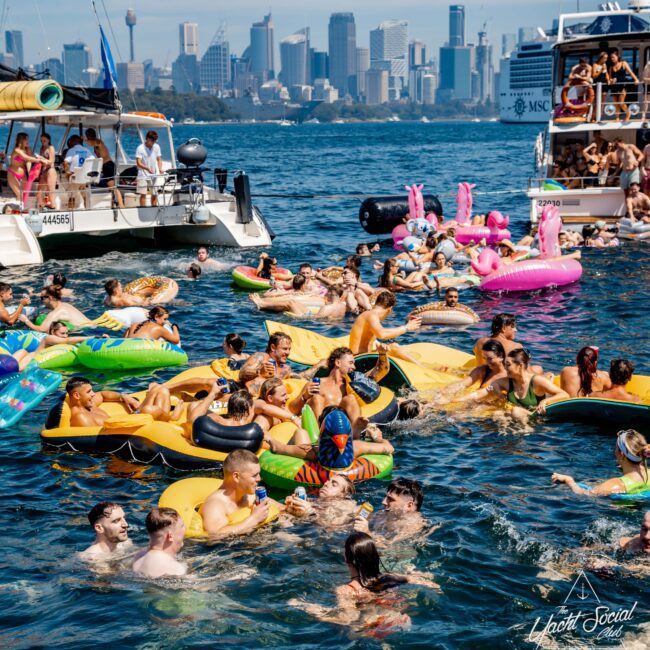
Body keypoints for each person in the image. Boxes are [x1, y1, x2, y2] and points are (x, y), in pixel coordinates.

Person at [454, 348, 568, 421]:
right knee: (497, 414)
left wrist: (545, 401)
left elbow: (564, 394)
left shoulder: (537, 381)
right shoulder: (506, 382)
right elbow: (479, 394)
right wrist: (454, 401)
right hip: (521, 418)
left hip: (538, 418)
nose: (505, 368)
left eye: (508, 365)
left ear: (520, 366)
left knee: (516, 411)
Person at [201, 449, 279, 537]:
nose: (259, 479)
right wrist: (254, 519)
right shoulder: (215, 504)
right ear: (236, 477)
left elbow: (281, 509)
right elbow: (214, 536)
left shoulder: (251, 496)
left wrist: (293, 508)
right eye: (254, 475)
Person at [552, 429, 650, 497]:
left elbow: (583, 494)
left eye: (615, 448)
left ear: (621, 454)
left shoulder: (615, 485)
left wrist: (569, 481)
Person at [66, 376, 182, 427]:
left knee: (160, 389)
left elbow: (102, 394)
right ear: (76, 395)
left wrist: (124, 396)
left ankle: (155, 391)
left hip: (134, 419)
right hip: (133, 428)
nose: (93, 394)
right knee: (149, 409)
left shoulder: (88, 405)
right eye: (89, 392)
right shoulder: (80, 417)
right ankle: (174, 418)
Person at [349, 291, 422, 365]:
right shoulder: (371, 315)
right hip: (359, 360)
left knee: (391, 347)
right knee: (394, 347)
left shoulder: (368, 314)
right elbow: (382, 334)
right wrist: (407, 327)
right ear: (390, 309)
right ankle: (422, 368)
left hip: (361, 357)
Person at [238, 332, 321, 395]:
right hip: (245, 396)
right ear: (273, 347)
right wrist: (259, 372)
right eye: (284, 349)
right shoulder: (262, 357)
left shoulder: (286, 368)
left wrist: (319, 365)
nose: (288, 352)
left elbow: (301, 377)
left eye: (289, 349)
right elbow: (242, 373)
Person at [353, 478, 427, 544]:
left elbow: (392, 549)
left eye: (390, 499)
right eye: (385, 497)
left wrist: (367, 533)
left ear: (409, 505)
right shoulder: (385, 513)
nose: (383, 502)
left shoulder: (414, 525)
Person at [13, 321, 96, 370]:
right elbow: (66, 340)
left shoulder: (59, 341)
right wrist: (90, 338)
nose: (65, 335)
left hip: (35, 360)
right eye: (62, 333)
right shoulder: (49, 338)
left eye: (67, 333)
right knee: (17, 372)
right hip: (30, 359)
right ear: (53, 332)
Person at [441, 339, 507, 399]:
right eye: (484, 358)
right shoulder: (482, 370)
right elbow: (462, 384)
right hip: (478, 404)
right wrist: (444, 392)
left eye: (490, 359)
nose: (487, 362)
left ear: (501, 356)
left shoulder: (509, 375)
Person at [132, 507, 187, 578]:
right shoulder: (175, 569)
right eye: (182, 525)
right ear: (170, 536)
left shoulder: (138, 557)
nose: (186, 527)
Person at [284, 474, 357, 525]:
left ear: (343, 494)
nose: (326, 483)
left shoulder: (346, 506)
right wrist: (292, 505)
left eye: (334, 484)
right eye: (328, 481)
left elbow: (333, 528)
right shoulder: (314, 500)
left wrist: (311, 512)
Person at [20, 285, 90, 332]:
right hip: (93, 326)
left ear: (50, 298)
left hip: (87, 332)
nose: (41, 300)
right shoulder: (65, 305)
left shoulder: (57, 312)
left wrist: (26, 320)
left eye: (42, 298)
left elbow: (42, 329)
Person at [84, 128, 124, 208]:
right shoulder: (95, 145)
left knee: (112, 187)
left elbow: (92, 143)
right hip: (105, 166)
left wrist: (83, 140)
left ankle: (121, 205)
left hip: (108, 165)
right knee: (111, 188)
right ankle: (114, 204)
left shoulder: (98, 142)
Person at [7, 132, 45, 205]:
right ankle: (18, 211)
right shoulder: (16, 150)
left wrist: (29, 171)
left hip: (23, 174)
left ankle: (22, 209)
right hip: (12, 174)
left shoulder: (28, 150)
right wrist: (39, 160)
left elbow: (28, 161)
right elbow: (26, 158)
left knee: (25, 194)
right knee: (19, 194)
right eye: (26, 139)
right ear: (21, 140)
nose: (28, 141)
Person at [63, 135, 95, 209]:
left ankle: (70, 210)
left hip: (75, 178)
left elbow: (65, 162)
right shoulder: (87, 150)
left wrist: (67, 174)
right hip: (85, 178)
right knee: (85, 197)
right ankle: (87, 210)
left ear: (73, 141)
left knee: (72, 197)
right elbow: (93, 161)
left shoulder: (71, 151)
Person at [607, 49, 639, 121]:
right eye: (611, 57)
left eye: (613, 57)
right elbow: (609, 77)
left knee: (621, 102)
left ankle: (628, 113)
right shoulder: (611, 67)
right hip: (614, 86)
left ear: (617, 56)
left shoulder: (623, 63)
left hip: (622, 85)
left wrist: (636, 79)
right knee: (616, 103)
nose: (612, 59)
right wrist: (611, 80)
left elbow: (630, 72)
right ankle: (617, 117)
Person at [135, 130, 164, 207]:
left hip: (153, 174)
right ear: (147, 139)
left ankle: (154, 208)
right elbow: (138, 162)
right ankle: (143, 209)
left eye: (155, 141)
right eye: (152, 140)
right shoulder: (140, 148)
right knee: (143, 194)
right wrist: (147, 168)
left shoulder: (156, 147)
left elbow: (159, 159)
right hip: (143, 174)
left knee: (154, 193)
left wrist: (160, 168)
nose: (153, 142)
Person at [36, 133, 57, 209]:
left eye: (44, 140)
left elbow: (51, 161)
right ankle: (43, 207)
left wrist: (42, 158)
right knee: (39, 193)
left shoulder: (51, 148)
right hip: (44, 171)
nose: (42, 142)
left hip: (50, 171)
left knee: (51, 192)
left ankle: (53, 207)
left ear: (48, 140)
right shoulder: (41, 148)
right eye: (41, 141)